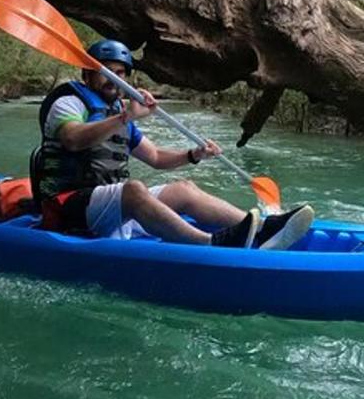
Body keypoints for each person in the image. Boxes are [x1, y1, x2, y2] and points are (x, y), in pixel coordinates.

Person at [33, 38, 312, 249]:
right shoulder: (68, 102)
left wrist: (194, 154)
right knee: (134, 190)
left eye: (120, 73)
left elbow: (154, 156)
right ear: (88, 74)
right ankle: (211, 244)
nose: (114, 80)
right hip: (66, 207)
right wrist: (126, 116)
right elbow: (72, 139)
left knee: (184, 189)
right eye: (107, 71)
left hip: (104, 205)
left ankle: (263, 230)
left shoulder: (116, 112)